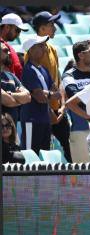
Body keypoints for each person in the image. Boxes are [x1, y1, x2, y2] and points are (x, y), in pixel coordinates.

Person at [25, 10, 72, 162]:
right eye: (51, 24)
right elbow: (36, 91)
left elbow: (56, 81)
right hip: (42, 113)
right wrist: (50, 108)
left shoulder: (52, 50)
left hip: (56, 111)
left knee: (64, 148)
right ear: (41, 28)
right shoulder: (30, 60)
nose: (55, 28)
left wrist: (62, 105)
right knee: (35, 154)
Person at [20, 35, 61, 154]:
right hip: (31, 120)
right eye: (40, 46)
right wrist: (50, 95)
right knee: (30, 155)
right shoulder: (28, 70)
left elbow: (56, 93)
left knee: (45, 155)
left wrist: (48, 94)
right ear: (31, 50)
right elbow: (40, 97)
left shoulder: (43, 69)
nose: (45, 48)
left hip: (44, 119)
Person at [62, 40, 90, 163]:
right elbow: (76, 99)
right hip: (81, 130)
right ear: (80, 55)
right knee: (83, 177)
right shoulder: (69, 76)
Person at [1, 41, 31, 123]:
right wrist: (20, 100)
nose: (9, 53)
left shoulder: (11, 75)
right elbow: (7, 101)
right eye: (5, 50)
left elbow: (28, 97)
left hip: (12, 130)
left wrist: (11, 94)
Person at [0, 13, 29, 79]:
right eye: (17, 30)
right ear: (7, 27)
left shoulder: (5, 45)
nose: (18, 35)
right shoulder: (2, 46)